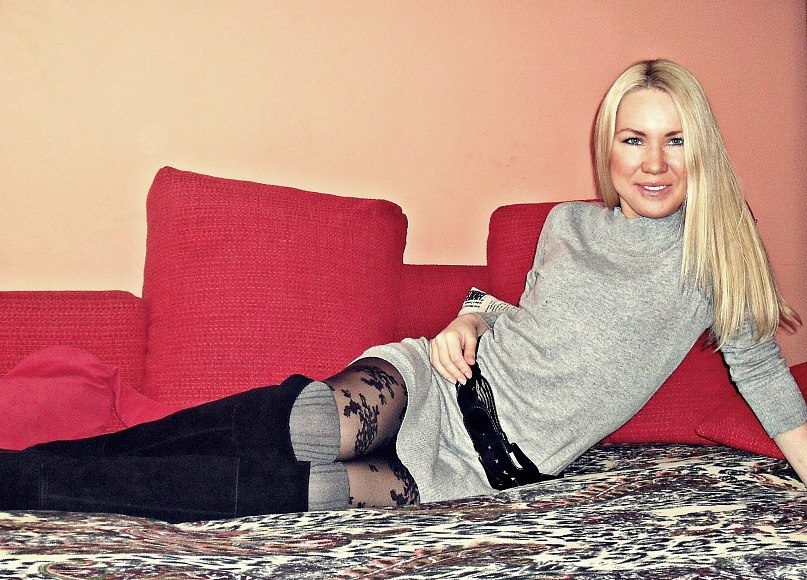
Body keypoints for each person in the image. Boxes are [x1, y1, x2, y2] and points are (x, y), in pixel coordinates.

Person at [2, 59, 806, 522]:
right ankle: (32, 470)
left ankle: (44, 483)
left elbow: (768, 382)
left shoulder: (717, 258)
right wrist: (467, 320)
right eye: (633, 139)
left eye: (674, 141)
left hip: (486, 467)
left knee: (286, 491)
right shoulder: (567, 224)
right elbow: (521, 315)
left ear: (701, 150)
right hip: (434, 383)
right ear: (610, 147)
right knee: (295, 422)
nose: (653, 162)